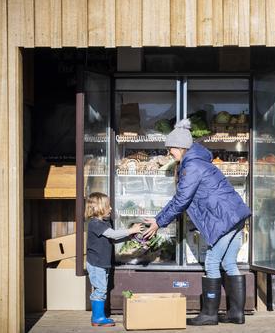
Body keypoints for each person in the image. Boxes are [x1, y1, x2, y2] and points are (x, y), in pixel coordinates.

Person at [143, 119, 251, 326]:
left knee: (212, 261)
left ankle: (210, 315)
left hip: (223, 219)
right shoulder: (198, 161)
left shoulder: (192, 166)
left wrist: (158, 222)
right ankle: (236, 314)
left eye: (170, 149)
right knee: (228, 263)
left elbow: (181, 200)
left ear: (180, 147)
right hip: (235, 215)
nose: (169, 154)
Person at [85, 192, 143, 327]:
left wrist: (128, 237)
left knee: (101, 288)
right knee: (100, 289)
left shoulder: (102, 223)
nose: (111, 208)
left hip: (100, 263)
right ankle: (97, 318)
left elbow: (111, 238)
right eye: (108, 206)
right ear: (99, 208)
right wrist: (130, 230)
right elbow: (113, 234)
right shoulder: (96, 224)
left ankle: (98, 316)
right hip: (97, 263)